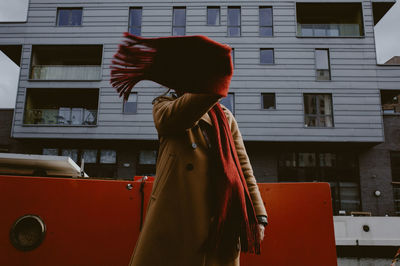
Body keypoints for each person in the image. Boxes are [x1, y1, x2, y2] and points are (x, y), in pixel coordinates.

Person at [110, 33, 268, 266]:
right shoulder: (164, 105)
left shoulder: (225, 117)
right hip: (177, 216)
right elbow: (178, 117)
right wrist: (213, 85)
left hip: (220, 218)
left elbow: (243, 166)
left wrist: (258, 215)